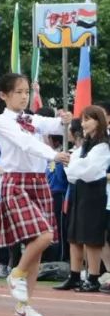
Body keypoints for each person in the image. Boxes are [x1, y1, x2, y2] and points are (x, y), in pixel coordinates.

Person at [0, 73, 70, 316]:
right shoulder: (1, 122)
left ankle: (24, 304)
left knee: (38, 246)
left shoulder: (31, 118)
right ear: (4, 95)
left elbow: (52, 125)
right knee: (45, 235)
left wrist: (65, 120)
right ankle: (16, 274)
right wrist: (53, 155)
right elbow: (25, 142)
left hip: (39, 183)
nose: (24, 97)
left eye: (26, 92)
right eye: (18, 92)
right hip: (16, 183)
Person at [55, 106, 109, 293]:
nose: (84, 123)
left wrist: (73, 165)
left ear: (98, 121)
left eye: (88, 119)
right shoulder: (85, 143)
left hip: (94, 191)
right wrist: (74, 165)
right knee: (74, 235)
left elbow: (89, 170)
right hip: (78, 190)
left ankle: (93, 277)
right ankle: (74, 275)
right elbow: (72, 170)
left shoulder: (103, 144)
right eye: (83, 119)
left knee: (91, 237)